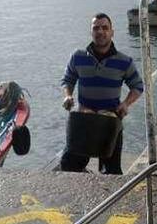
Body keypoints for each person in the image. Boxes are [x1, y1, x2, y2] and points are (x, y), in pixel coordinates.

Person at [60, 13, 143, 174]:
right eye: (96, 28)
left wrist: (125, 104)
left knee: (111, 171)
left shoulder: (124, 61)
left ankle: (108, 195)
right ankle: (88, 185)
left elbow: (137, 86)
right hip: (84, 118)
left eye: (105, 28)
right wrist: (68, 95)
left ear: (112, 32)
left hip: (110, 119)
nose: (100, 31)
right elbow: (67, 80)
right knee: (69, 165)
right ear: (91, 33)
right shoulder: (77, 57)